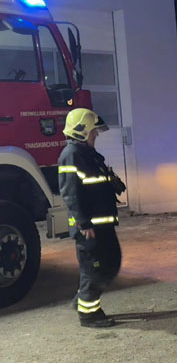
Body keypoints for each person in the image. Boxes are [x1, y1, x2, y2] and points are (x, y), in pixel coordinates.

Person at [58, 108, 125, 328]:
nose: (95, 136)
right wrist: (83, 222)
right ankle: (89, 313)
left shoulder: (89, 155)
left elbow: (94, 183)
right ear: (81, 132)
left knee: (110, 263)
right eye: (93, 132)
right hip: (89, 227)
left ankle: (82, 300)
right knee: (94, 269)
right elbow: (70, 193)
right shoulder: (71, 155)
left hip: (102, 223)